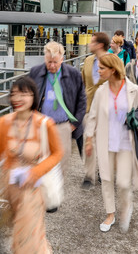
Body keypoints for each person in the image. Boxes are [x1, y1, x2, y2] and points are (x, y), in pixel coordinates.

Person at [0, 76, 63, 253]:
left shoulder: (45, 124)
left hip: (33, 187)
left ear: (34, 97)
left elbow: (57, 153)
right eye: (14, 94)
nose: (18, 99)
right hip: (10, 187)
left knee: (26, 235)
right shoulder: (3, 123)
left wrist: (37, 171)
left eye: (24, 94)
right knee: (26, 231)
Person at [84, 53, 138, 233]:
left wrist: (134, 117)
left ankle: (126, 207)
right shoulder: (100, 91)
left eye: (102, 68)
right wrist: (89, 139)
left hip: (126, 144)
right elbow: (93, 116)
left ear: (113, 70)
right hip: (106, 142)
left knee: (122, 182)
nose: (98, 70)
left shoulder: (133, 89)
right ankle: (110, 213)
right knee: (106, 179)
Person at [29, 41, 86, 180]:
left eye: (55, 62)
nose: (52, 66)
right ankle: (42, 195)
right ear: (44, 59)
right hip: (41, 125)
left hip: (63, 126)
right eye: (49, 62)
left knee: (61, 164)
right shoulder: (35, 72)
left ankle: (55, 198)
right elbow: (27, 95)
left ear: (62, 59)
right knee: (39, 161)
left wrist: (74, 125)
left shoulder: (73, 74)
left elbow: (82, 100)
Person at [81, 32, 111, 189]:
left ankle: (104, 171)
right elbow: (84, 84)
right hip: (88, 109)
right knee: (89, 140)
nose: (89, 44)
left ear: (99, 45)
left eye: (92, 42)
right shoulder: (87, 60)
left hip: (107, 110)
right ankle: (89, 175)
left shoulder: (113, 62)